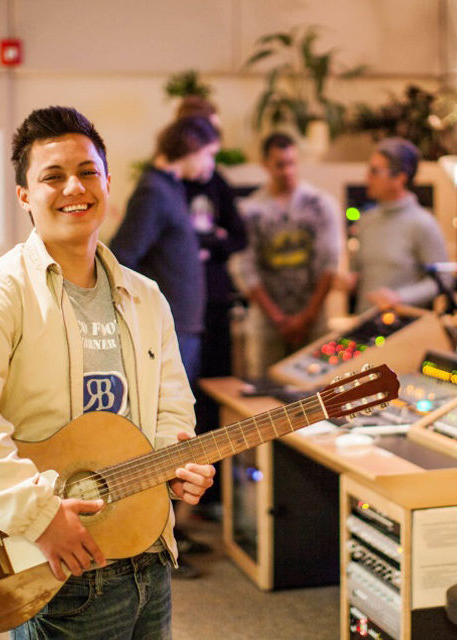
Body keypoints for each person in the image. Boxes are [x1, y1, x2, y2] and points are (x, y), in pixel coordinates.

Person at [0, 106, 215, 640]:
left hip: (148, 557)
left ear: (106, 181)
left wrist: (181, 461)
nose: (73, 187)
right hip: (56, 567)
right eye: (52, 177)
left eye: (86, 171)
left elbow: (172, 408)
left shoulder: (145, 297)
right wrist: (41, 518)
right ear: (25, 196)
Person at [109, 115, 221, 576]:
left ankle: (174, 524)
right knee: (165, 435)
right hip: (164, 337)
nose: (212, 164)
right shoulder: (153, 192)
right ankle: (158, 529)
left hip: (185, 331)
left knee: (179, 432)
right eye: (210, 153)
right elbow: (124, 257)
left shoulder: (172, 189)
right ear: (190, 147)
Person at [174, 97, 247, 520]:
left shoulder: (217, 180)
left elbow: (238, 237)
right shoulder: (168, 184)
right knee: (185, 403)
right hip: (182, 308)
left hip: (216, 303)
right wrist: (203, 241)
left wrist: (210, 242)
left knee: (217, 398)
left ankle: (214, 497)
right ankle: (181, 504)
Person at [232, 132, 341, 379]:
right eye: (280, 164)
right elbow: (246, 268)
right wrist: (279, 319)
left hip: (314, 319)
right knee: (266, 391)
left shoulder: (320, 204)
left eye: (292, 163)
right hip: (267, 323)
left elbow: (330, 262)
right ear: (265, 164)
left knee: (317, 391)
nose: (288, 171)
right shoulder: (251, 210)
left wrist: (307, 316)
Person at [352, 137, 450, 313]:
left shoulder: (423, 223)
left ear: (399, 178)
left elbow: (443, 280)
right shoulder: (366, 220)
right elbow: (361, 273)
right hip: (366, 326)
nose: (367, 177)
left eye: (375, 171)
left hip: (403, 328)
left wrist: (399, 297)